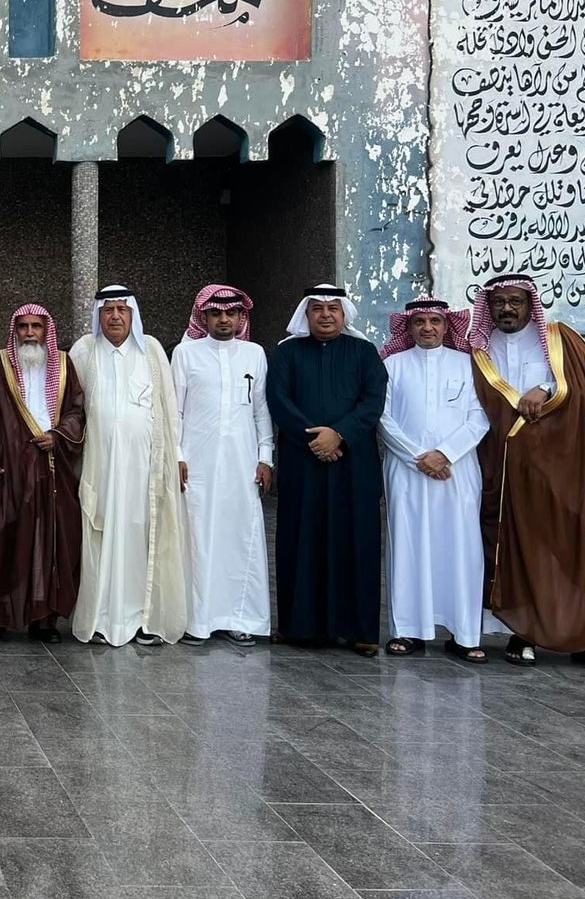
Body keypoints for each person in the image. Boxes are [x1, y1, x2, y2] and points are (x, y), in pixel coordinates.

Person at [466, 273, 585, 672]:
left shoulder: (558, 339)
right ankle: (525, 631)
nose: (507, 309)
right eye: (498, 303)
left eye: (514, 301)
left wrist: (547, 391)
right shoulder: (478, 347)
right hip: (504, 463)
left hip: (565, 463)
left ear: (530, 303)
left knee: (575, 542)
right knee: (517, 545)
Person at [265, 284, 387, 656]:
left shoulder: (365, 353)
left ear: (345, 313)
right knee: (301, 541)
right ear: (306, 315)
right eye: (317, 308)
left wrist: (340, 435)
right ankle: (298, 627)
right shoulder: (287, 354)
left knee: (357, 543)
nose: (326, 315)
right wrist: (316, 441)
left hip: (355, 464)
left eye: (333, 308)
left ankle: (360, 631)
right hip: (304, 465)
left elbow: (374, 401)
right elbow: (278, 401)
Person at [68, 285, 189, 647]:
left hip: (144, 472)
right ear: (98, 316)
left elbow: (169, 409)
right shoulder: (84, 350)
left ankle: (142, 619)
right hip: (98, 467)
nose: (115, 316)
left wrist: (177, 455)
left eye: (122, 309)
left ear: (133, 315)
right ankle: (101, 618)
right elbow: (71, 407)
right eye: (108, 310)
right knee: (98, 536)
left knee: (141, 537)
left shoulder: (151, 350)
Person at [377, 298, 490, 663]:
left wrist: (445, 453)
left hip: (457, 471)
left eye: (435, 321)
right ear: (408, 328)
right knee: (408, 546)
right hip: (406, 470)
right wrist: (419, 458)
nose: (427, 328)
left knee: (461, 548)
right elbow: (383, 419)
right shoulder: (392, 365)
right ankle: (408, 631)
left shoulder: (468, 364)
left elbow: (480, 418)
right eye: (420, 322)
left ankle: (465, 634)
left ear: (447, 326)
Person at [0, 304, 84, 643]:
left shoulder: (63, 364)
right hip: (9, 468)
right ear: (14, 330)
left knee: (48, 543)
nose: (30, 332)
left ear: (47, 331)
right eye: (23, 327)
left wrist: (58, 435)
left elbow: (77, 410)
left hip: (51, 467)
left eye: (36, 326)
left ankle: (43, 620)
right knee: (5, 540)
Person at [172, 285, 274, 647]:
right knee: (198, 538)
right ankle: (197, 621)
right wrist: (178, 455)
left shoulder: (255, 354)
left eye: (231, 313)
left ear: (241, 318)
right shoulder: (185, 354)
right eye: (216, 313)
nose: (224, 319)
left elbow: (261, 410)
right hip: (196, 465)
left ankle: (241, 618)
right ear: (205, 317)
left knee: (240, 538)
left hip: (243, 463)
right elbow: (176, 412)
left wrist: (266, 457)